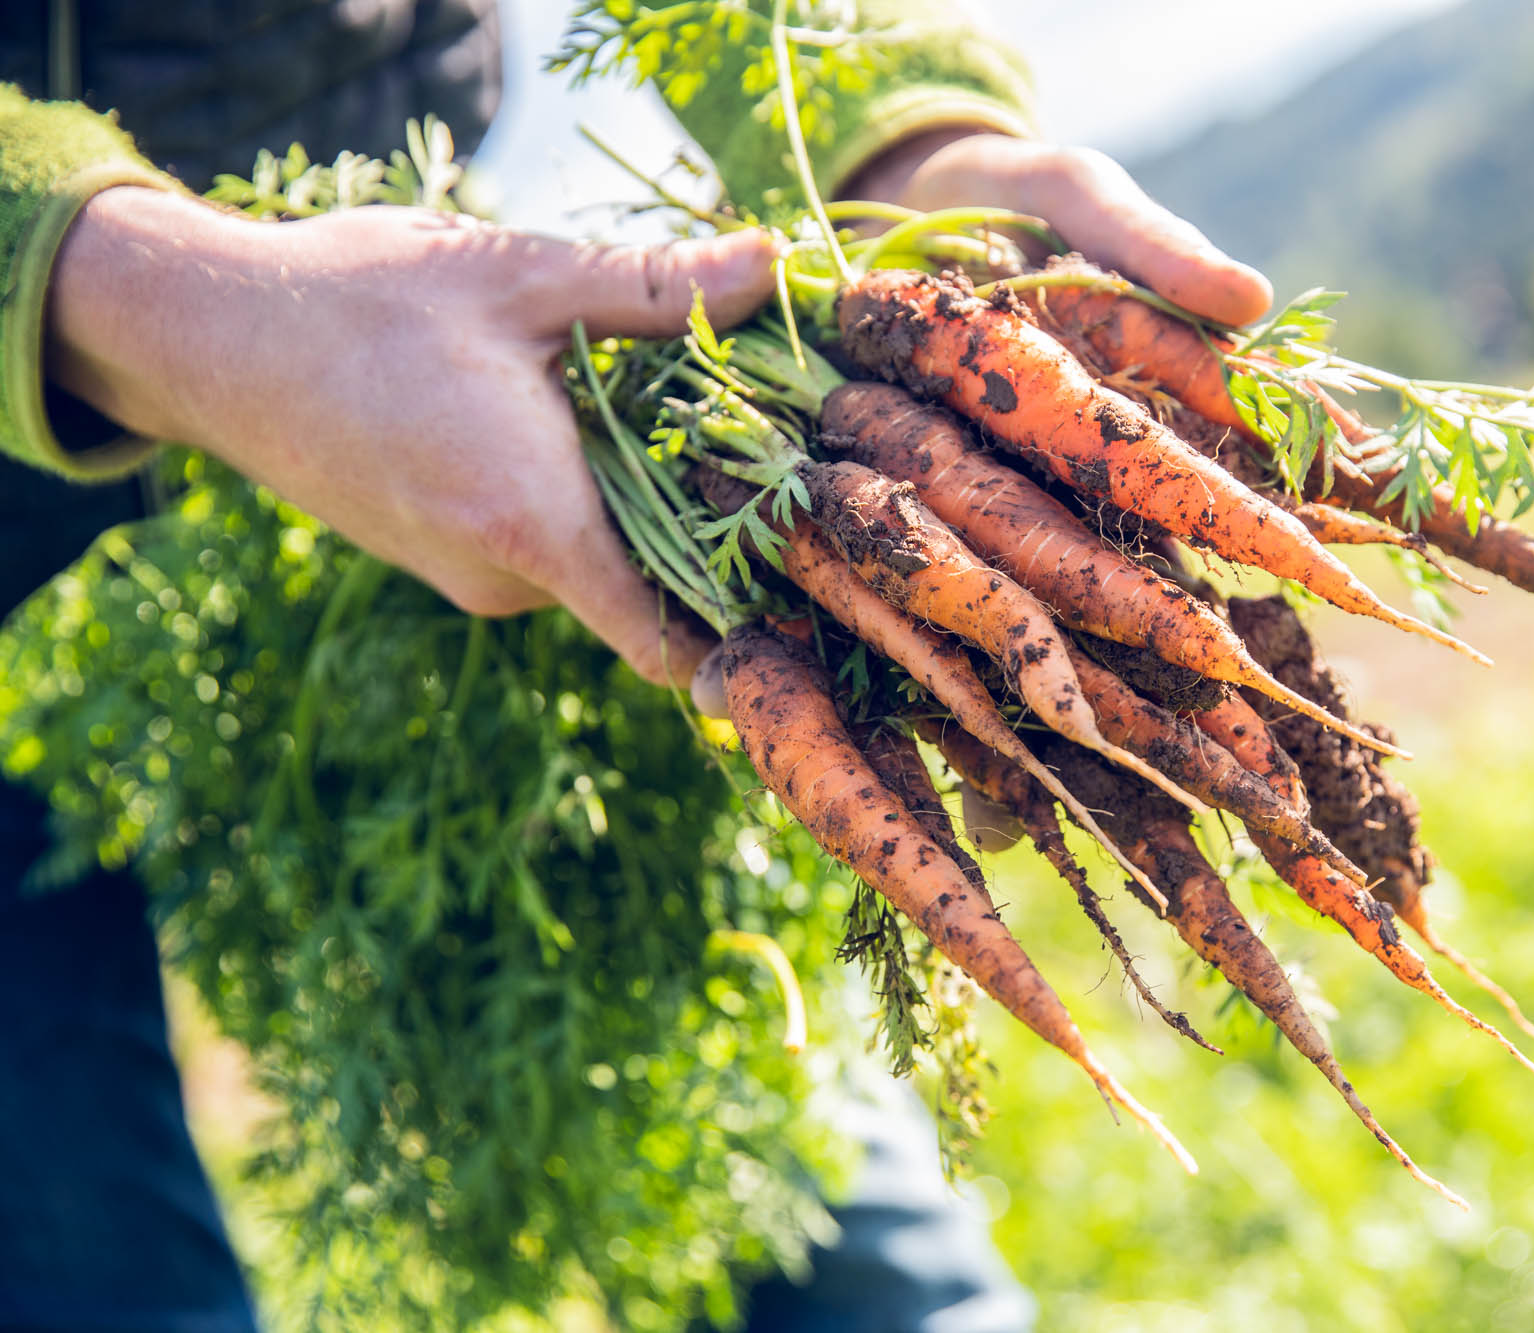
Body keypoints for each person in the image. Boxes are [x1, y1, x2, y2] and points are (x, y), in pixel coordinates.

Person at [0, 3, 1270, 1327]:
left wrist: (893, 127)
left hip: (422, 392)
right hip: (268, 370)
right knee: (91, 1271)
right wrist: (129, 288)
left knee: (818, 1202)